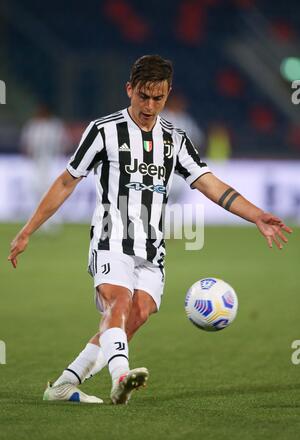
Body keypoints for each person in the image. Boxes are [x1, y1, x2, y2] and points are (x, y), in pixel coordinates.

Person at [8, 55, 292, 405]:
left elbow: (209, 184)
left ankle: (65, 385)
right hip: (111, 239)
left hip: (152, 249)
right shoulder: (104, 131)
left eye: (158, 97)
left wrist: (257, 215)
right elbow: (67, 181)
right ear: (129, 89)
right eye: (143, 96)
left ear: (168, 93)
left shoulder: (174, 139)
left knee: (137, 314)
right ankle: (121, 378)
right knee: (119, 302)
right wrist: (27, 231)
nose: (150, 105)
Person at [20, 104, 69, 232]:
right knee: (36, 189)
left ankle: (54, 220)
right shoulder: (33, 125)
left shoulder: (54, 126)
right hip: (36, 162)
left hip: (51, 160)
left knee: (51, 190)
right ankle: (39, 220)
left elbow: (64, 143)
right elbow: (26, 144)